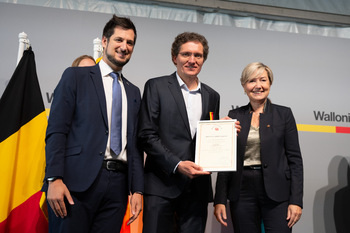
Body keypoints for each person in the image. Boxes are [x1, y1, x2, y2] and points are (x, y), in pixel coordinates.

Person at [42, 15, 144, 233]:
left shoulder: (134, 92)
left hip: (117, 186)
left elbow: (134, 145)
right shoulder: (75, 77)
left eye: (130, 42)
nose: (124, 47)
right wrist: (54, 178)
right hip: (74, 184)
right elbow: (57, 130)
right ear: (105, 41)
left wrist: (138, 190)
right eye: (119, 40)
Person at [138, 32, 240, 233]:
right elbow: (146, 135)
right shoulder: (156, 86)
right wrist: (177, 164)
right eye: (186, 54)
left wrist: (224, 130)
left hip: (197, 189)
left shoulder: (212, 95)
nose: (192, 60)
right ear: (174, 57)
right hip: (161, 186)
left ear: (203, 60)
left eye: (198, 56)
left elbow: (207, 139)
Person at [214, 62, 303, 233]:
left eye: (263, 80)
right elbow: (226, 161)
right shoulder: (234, 116)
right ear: (244, 86)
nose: (258, 86)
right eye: (251, 81)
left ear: (270, 83)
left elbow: (295, 161)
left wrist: (296, 201)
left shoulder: (284, 115)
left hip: (277, 191)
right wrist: (220, 199)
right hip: (241, 189)